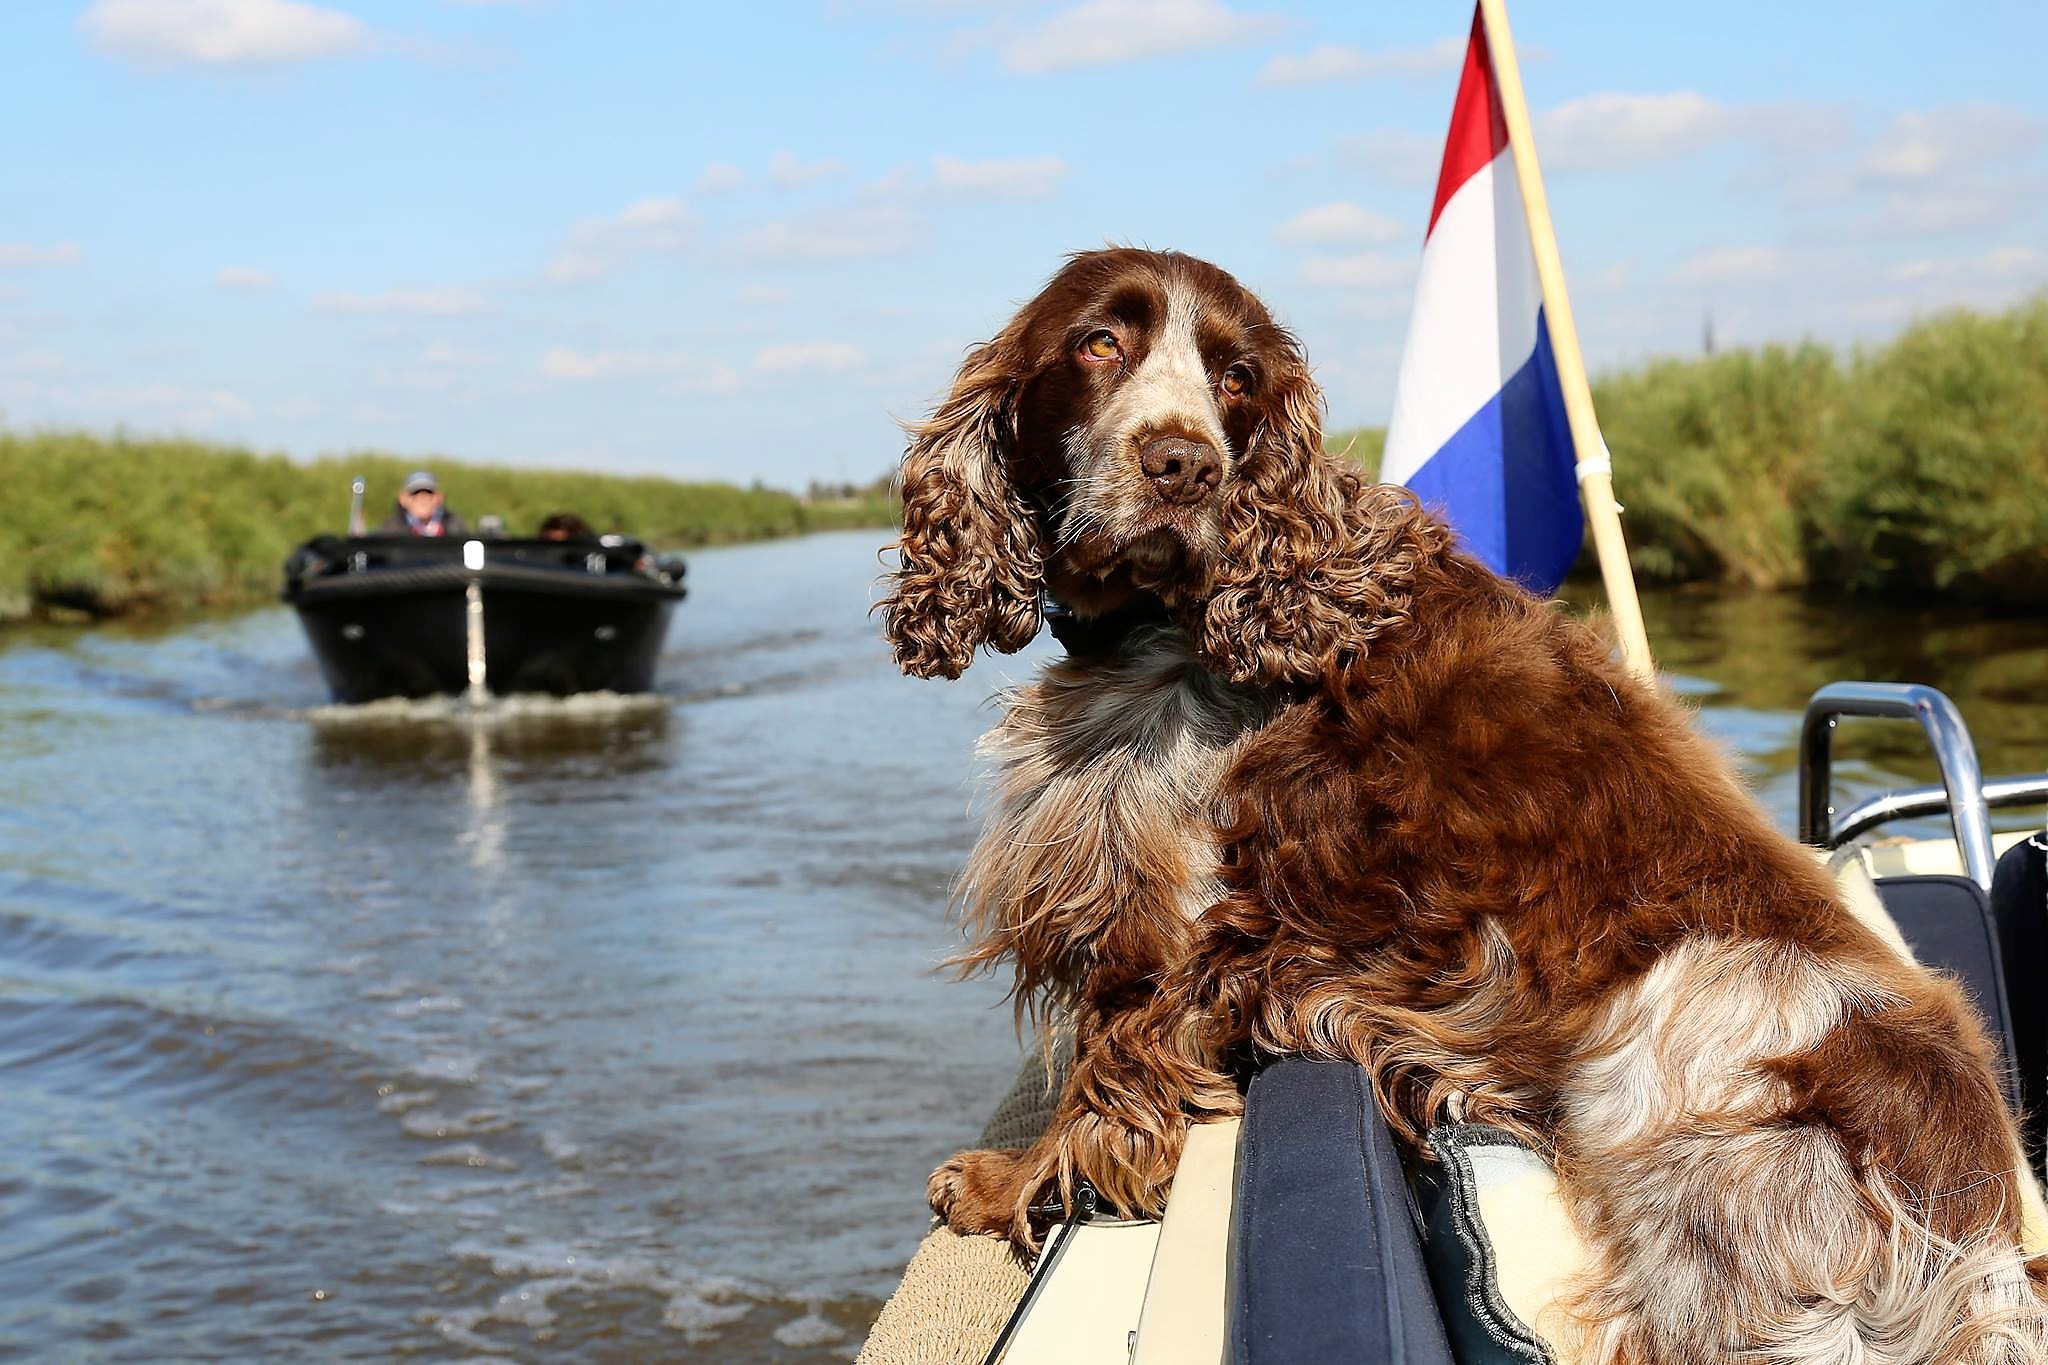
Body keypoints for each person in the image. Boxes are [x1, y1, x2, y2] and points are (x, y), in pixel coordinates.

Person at [376, 472, 468, 537]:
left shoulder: (455, 526)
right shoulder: (390, 530)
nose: (422, 499)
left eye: (429, 492)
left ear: (439, 497)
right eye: (415, 493)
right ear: (403, 499)